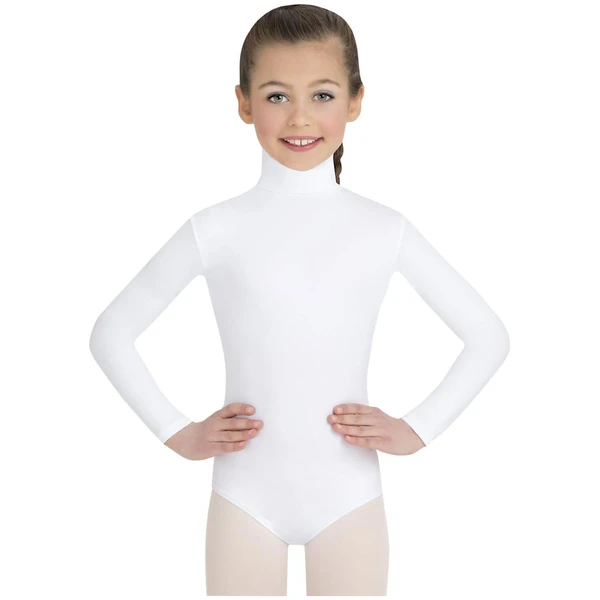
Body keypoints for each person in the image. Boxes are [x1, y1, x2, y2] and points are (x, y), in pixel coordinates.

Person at [89, 4, 510, 596]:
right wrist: (176, 431)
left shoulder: (382, 228)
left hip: (349, 495)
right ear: (244, 103)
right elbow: (111, 332)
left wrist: (419, 428)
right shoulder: (216, 228)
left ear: (356, 101)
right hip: (244, 494)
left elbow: (488, 336)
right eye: (277, 96)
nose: (300, 116)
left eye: (323, 94)